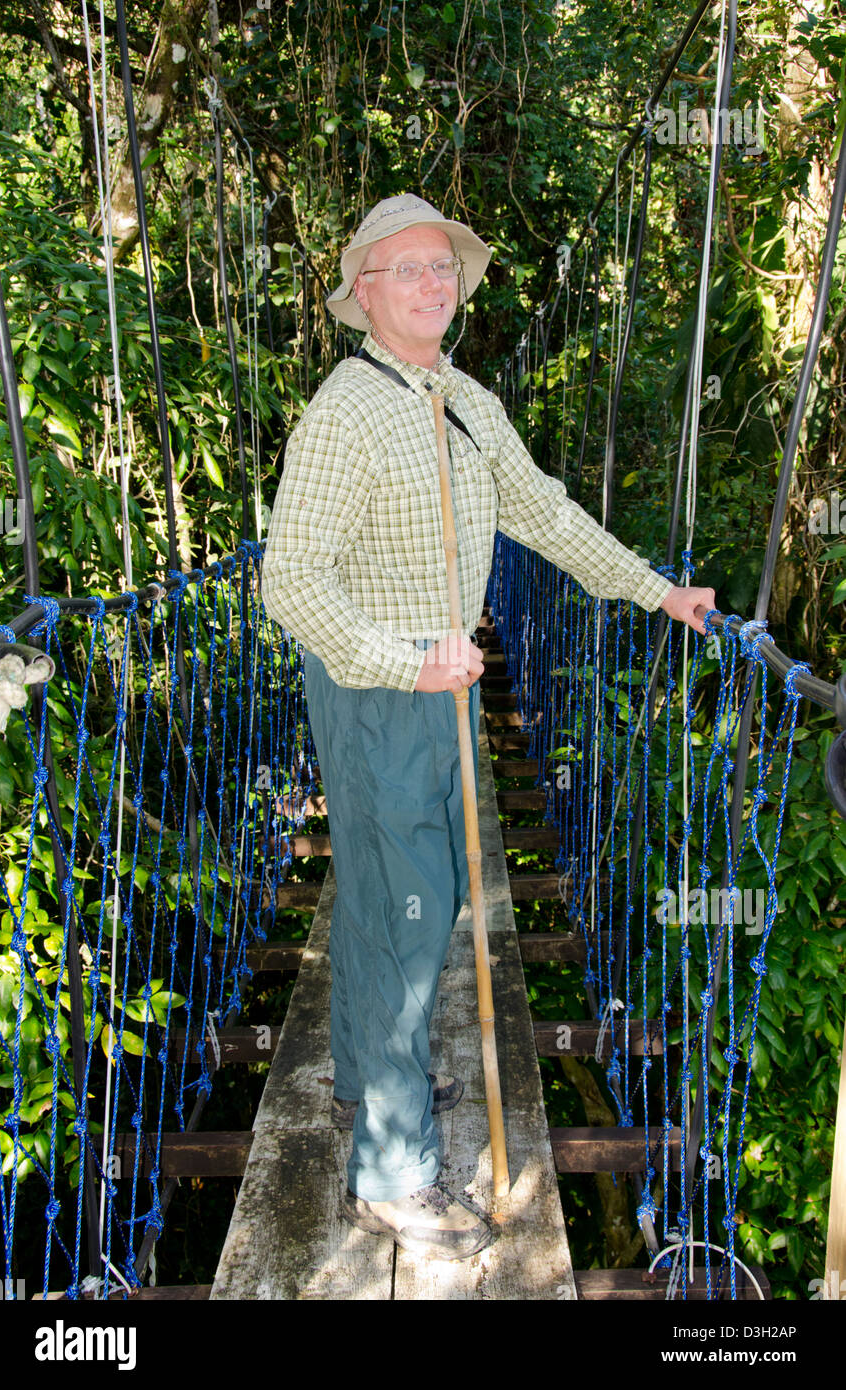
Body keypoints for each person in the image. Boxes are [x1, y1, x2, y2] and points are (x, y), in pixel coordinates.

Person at [261, 193, 715, 1261]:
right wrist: (409, 659)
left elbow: (545, 512)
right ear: (363, 292)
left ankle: (377, 1076)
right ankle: (393, 1172)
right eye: (409, 268)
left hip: (446, 680)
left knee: (409, 892)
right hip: (386, 692)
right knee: (411, 908)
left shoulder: (461, 396)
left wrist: (656, 593)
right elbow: (290, 583)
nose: (435, 284)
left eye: (444, 267)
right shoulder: (346, 411)